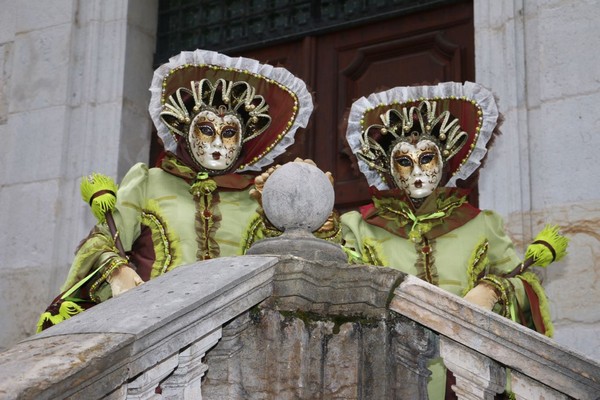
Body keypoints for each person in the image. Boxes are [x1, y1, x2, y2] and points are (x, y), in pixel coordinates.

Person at [38, 49, 314, 331]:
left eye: (229, 133)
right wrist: (116, 270)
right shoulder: (148, 182)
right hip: (151, 327)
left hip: (236, 334)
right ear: (185, 130)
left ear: (244, 141)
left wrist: (301, 200)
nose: (218, 143)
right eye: (207, 129)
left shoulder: (257, 196)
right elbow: (100, 242)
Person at [341, 82, 554, 399]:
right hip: (391, 375)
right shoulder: (359, 225)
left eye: (426, 158)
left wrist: (492, 289)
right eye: (404, 161)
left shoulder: (481, 224)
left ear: (445, 159)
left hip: (467, 373)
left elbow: (524, 283)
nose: (417, 170)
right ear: (387, 165)